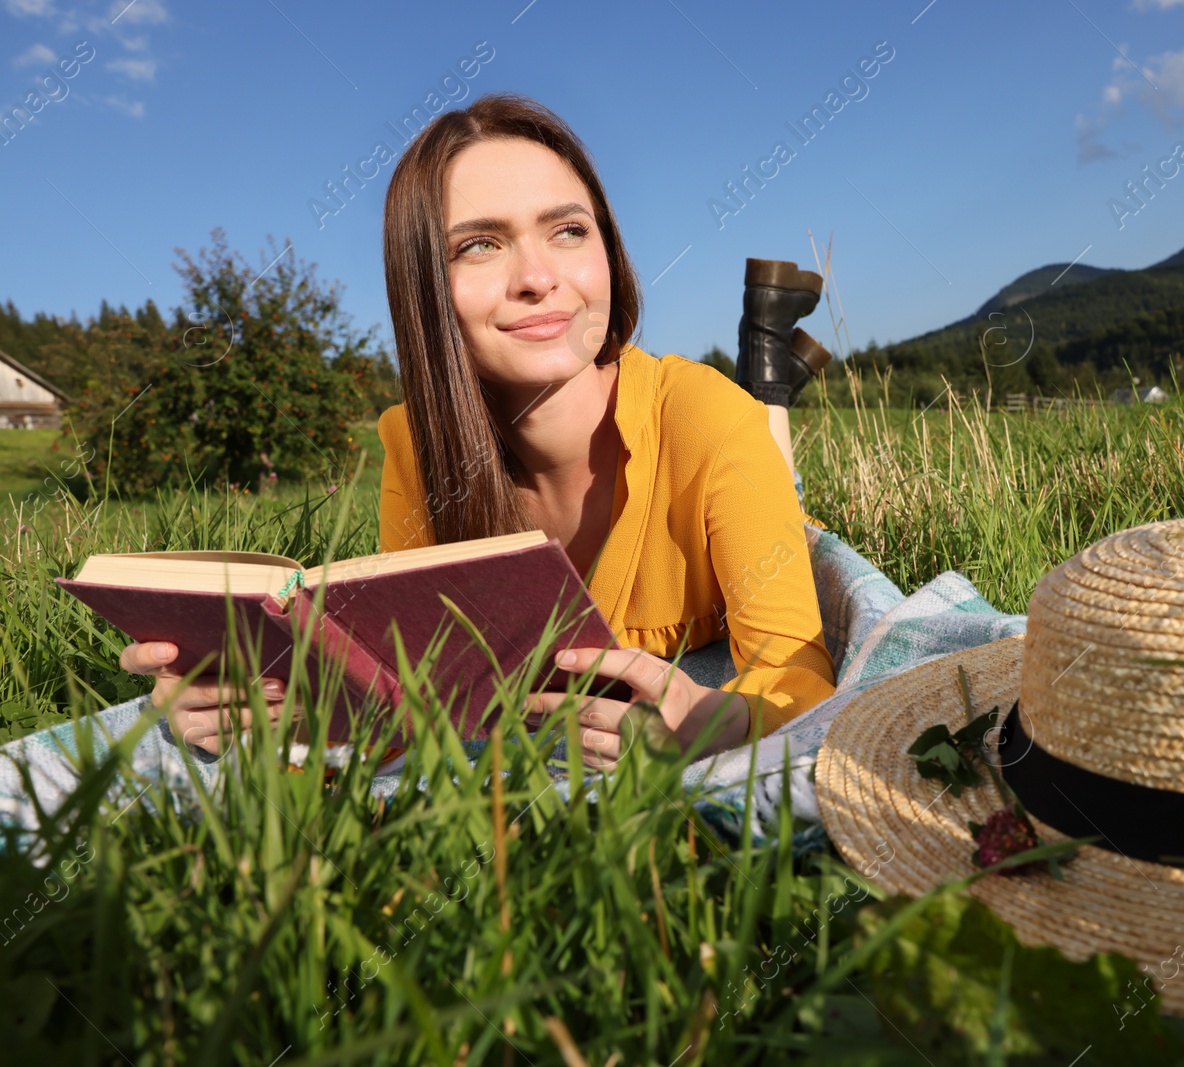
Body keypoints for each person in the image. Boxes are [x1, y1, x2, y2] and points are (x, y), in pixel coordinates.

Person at [117, 93, 837, 769]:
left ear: (608, 251)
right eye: (479, 246)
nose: (537, 276)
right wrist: (270, 708)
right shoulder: (414, 442)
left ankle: (768, 376)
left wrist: (713, 721)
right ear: (423, 286)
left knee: (787, 485)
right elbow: (415, 687)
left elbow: (801, 682)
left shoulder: (705, 421)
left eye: (568, 230)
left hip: (725, 447)